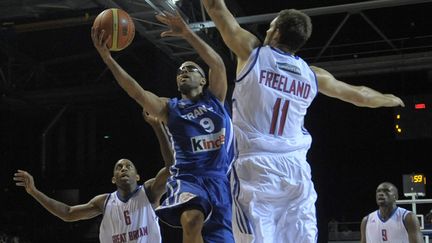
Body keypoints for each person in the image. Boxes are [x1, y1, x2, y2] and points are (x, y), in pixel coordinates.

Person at [200, 1, 405, 242]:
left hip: (255, 167)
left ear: (276, 32)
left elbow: (215, 7)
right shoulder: (312, 74)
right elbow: (359, 95)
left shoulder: (252, 52)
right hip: (296, 168)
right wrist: (389, 99)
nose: (266, 31)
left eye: (270, 27)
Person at [91, 11, 234, 243]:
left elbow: (217, 63)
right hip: (188, 177)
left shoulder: (215, 99)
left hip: (219, 180)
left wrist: (187, 33)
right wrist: (108, 58)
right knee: (191, 220)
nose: (183, 73)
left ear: (203, 80)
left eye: (190, 69)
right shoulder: (170, 108)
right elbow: (136, 91)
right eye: (179, 72)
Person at [14, 111, 173, 243]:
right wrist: (34, 191)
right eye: (119, 167)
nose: (124, 169)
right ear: (113, 179)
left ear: (137, 176)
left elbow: (172, 166)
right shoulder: (104, 202)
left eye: (128, 166)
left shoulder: (149, 192)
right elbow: (68, 213)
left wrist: (158, 126)